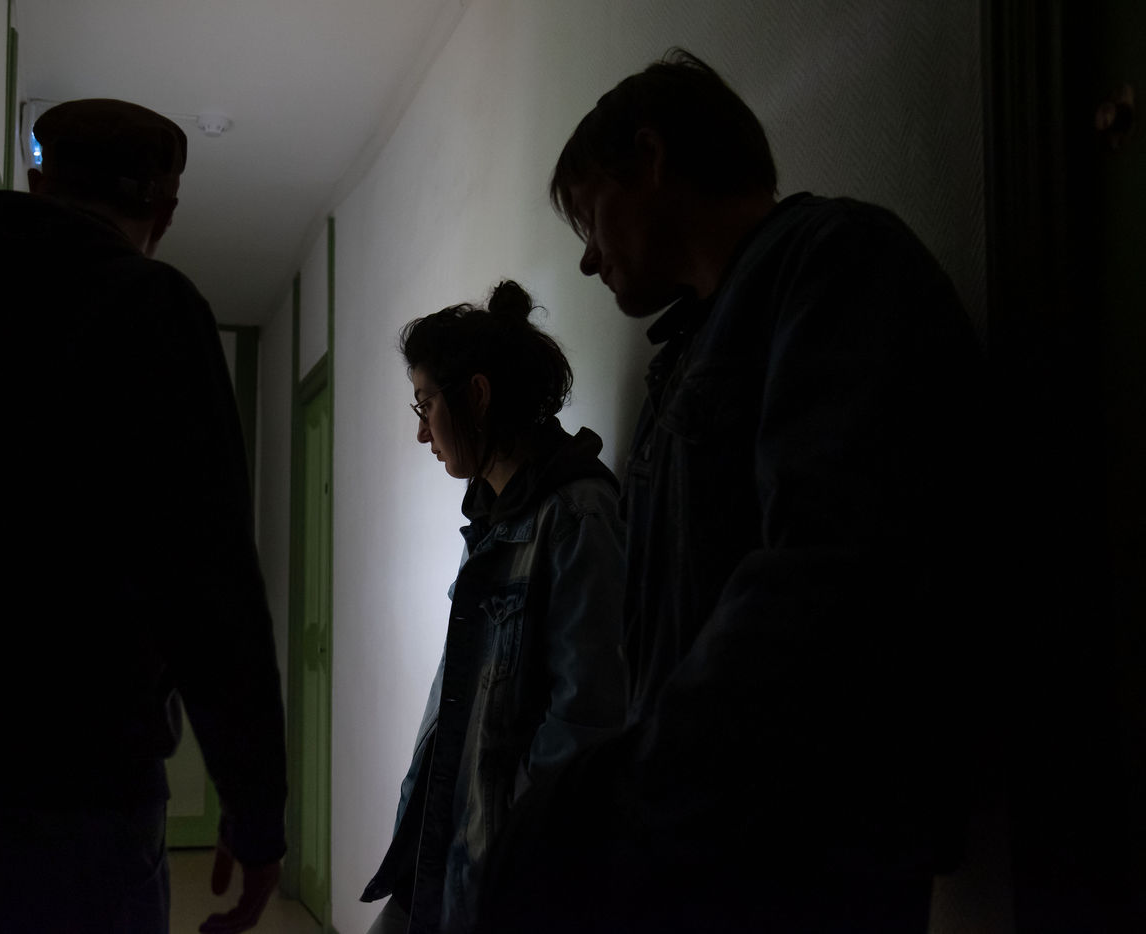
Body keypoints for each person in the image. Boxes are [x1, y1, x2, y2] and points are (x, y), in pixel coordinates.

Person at [478, 50, 987, 932]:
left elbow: (827, 577)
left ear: (649, 158)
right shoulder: (689, 350)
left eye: (589, 218)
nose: (590, 260)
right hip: (713, 839)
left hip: (806, 847)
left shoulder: (834, 259)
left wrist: (603, 799)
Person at [0, 98, 287, 934]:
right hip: (83, 797)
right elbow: (208, 582)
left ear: (38, 183)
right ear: (164, 211)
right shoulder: (152, 309)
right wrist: (256, 811)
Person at [359, 281, 629, 934]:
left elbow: (583, 725)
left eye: (425, 404)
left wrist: (512, 857)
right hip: (441, 850)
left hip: (500, 875)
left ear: (476, 396)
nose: (420, 431)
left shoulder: (576, 515)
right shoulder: (492, 520)